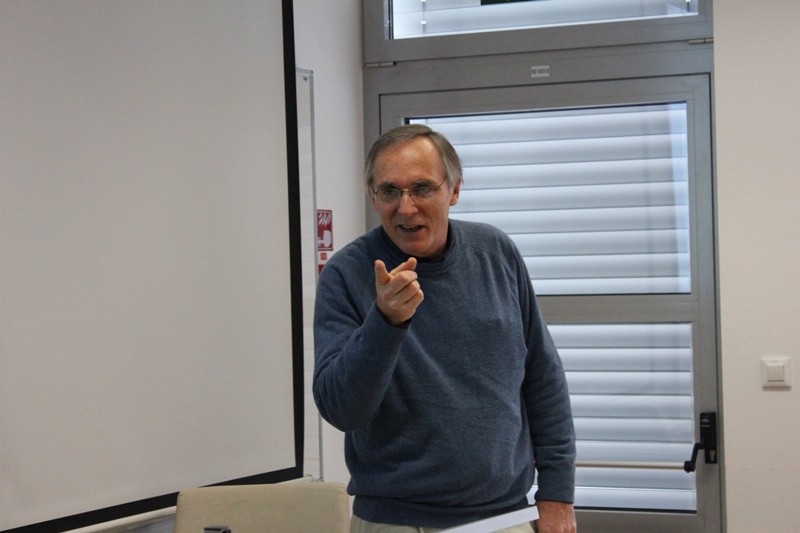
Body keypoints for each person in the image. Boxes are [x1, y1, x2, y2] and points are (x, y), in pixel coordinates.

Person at [313, 124, 576, 533]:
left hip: (505, 515)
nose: (406, 208)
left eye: (422, 188)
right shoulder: (346, 274)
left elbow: (543, 379)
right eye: (389, 191)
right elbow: (341, 409)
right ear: (372, 196)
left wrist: (557, 492)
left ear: (453, 190)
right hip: (396, 521)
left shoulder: (496, 253)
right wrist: (385, 323)